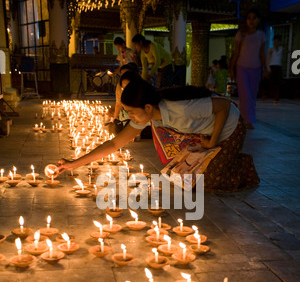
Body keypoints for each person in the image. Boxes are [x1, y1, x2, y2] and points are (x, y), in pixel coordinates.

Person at [56, 75, 260, 193]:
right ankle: (221, 157)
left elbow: (224, 106)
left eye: (133, 113)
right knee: (186, 178)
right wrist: (74, 163)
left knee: (211, 183)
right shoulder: (149, 114)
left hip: (230, 127)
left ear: (146, 107)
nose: (131, 118)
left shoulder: (181, 110)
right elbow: (114, 144)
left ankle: (241, 164)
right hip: (204, 132)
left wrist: (212, 142)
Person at [229, 8, 267, 129]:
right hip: (242, 68)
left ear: (258, 20)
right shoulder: (241, 34)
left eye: (254, 18)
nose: (251, 21)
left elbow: (262, 54)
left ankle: (245, 117)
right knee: (245, 94)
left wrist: (265, 68)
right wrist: (231, 68)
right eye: (249, 18)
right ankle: (248, 120)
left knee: (252, 96)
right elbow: (236, 53)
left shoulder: (261, 36)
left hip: (256, 69)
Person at [267, 35, 283, 104]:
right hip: (272, 67)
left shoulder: (281, 49)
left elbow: (281, 58)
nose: (276, 42)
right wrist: (268, 68)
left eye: (277, 41)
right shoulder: (271, 49)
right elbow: (268, 59)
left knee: (278, 82)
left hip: (278, 67)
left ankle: (277, 97)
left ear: (279, 42)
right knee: (272, 82)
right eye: (274, 41)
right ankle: (271, 95)